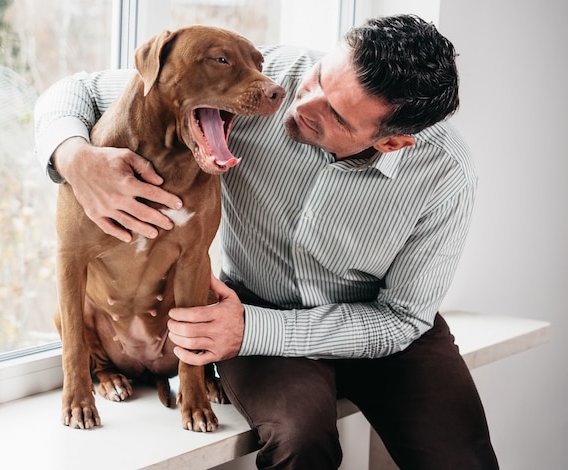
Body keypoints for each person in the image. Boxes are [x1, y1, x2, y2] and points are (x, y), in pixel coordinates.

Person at [34, 14, 499, 470]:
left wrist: (253, 330)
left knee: (461, 460)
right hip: (255, 308)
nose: (301, 106)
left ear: (392, 143)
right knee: (300, 442)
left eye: (335, 115)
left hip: (380, 327)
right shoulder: (260, 80)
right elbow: (81, 89)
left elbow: (402, 319)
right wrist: (74, 156)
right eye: (319, 79)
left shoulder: (446, 175)